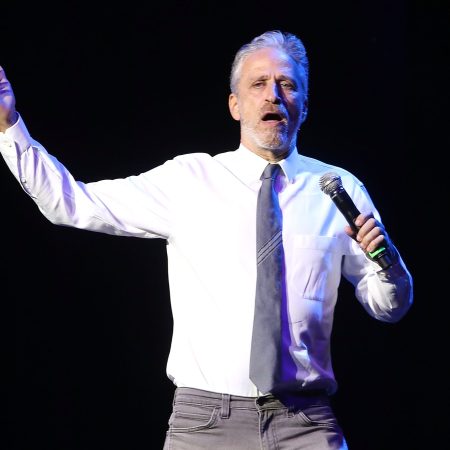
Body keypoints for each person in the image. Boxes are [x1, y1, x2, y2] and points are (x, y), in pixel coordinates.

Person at [0, 30, 412, 449]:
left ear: (303, 106)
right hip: (206, 422)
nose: (273, 94)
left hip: (305, 420)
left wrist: (389, 265)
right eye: (258, 83)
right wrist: (8, 124)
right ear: (235, 105)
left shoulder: (338, 189)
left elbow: (388, 307)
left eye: (287, 84)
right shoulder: (190, 181)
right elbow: (71, 203)